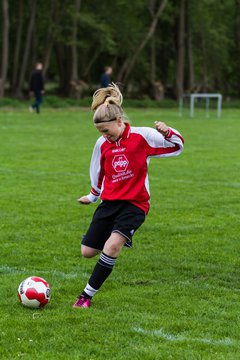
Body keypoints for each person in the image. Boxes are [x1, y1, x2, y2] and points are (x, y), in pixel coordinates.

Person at [73, 83, 184, 308]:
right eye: (100, 133)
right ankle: (117, 235)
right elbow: (98, 171)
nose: (105, 136)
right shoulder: (102, 143)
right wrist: (93, 196)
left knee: (112, 246)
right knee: (87, 251)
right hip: (110, 203)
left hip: (135, 204)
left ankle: (86, 296)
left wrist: (168, 131)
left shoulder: (143, 136)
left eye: (106, 131)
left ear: (119, 121)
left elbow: (177, 147)